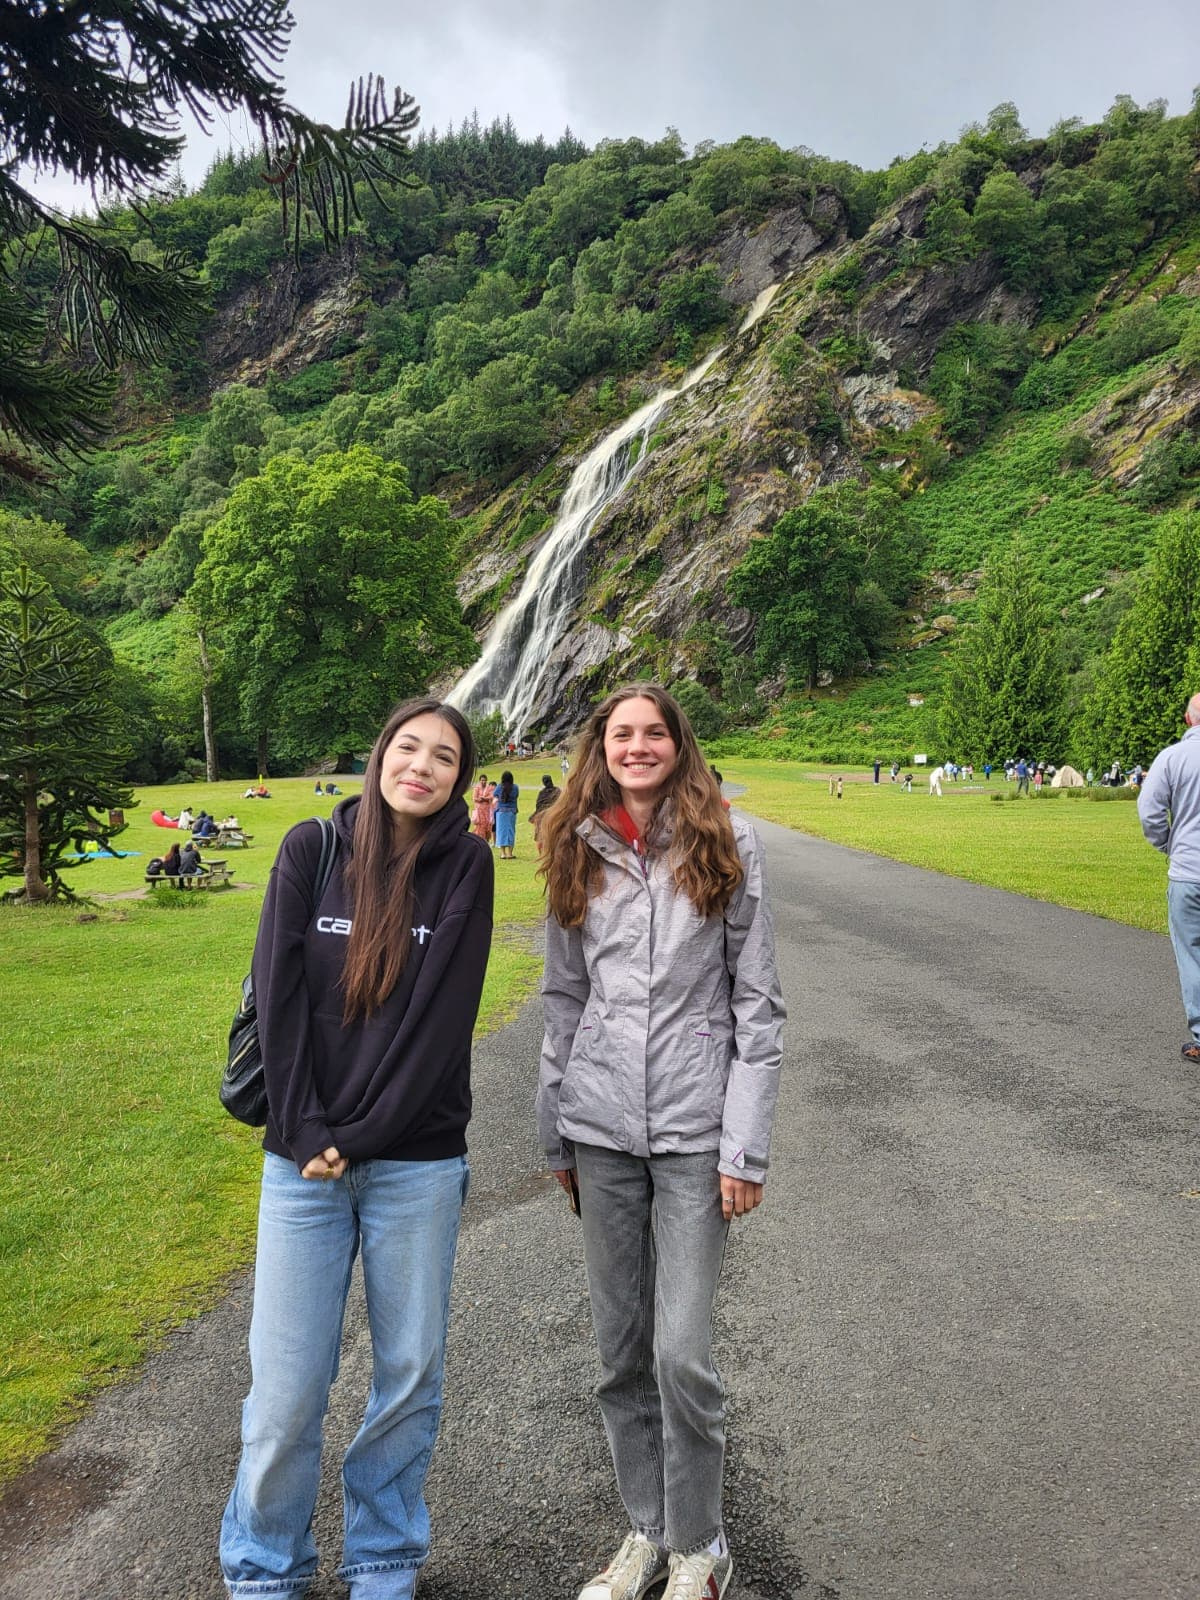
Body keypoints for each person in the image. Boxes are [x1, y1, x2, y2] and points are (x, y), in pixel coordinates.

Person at [220, 698, 494, 1600]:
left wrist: (363, 1137)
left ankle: (383, 1559)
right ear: (379, 757)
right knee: (286, 1387)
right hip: (301, 1160)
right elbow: (278, 997)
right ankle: (265, 1567)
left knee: (409, 1376)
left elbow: (441, 1022)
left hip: (417, 1159)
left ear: (461, 779)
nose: (422, 766)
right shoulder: (311, 848)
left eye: (444, 757)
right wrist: (306, 1130)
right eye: (408, 747)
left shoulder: (466, 866)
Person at [537, 683, 785, 1600]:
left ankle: (700, 1543)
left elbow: (758, 1005)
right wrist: (555, 1137)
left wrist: (743, 1150)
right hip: (600, 1131)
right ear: (600, 747)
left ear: (680, 745)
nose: (637, 746)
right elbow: (564, 999)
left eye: (654, 733)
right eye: (621, 734)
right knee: (620, 1353)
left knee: (681, 1352)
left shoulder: (729, 841)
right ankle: (646, 1532)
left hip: (693, 1131)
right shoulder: (574, 843)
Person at [1137, 692, 1200, 1064]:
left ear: (1188, 719)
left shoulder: (1173, 757)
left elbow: (1150, 810)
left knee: (1192, 953)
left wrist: (1168, 844)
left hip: (1189, 870)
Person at [493, 770, 519, 860]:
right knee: (511, 831)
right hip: (511, 812)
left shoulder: (499, 787)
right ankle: (510, 853)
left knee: (501, 832)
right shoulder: (515, 787)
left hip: (501, 812)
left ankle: (503, 854)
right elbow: (516, 796)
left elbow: (494, 795)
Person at [530, 773, 560, 851]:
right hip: (554, 815)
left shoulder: (542, 793)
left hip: (542, 816)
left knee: (540, 836)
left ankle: (541, 853)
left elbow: (538, 805)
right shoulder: (557, 791)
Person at [470, 773, 496, 844]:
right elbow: (474, 798)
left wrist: (484, 798)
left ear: (486, 781)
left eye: (484, 780)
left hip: (487, 810)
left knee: (488, 825)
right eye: (482, 780)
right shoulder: (477, 788)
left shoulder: (489, 788)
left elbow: (491, 797)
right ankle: (479, 841)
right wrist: (481, 799)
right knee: (480, 826)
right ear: (480, 781)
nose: (483, 782)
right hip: (479, 810)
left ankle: (486, 841)